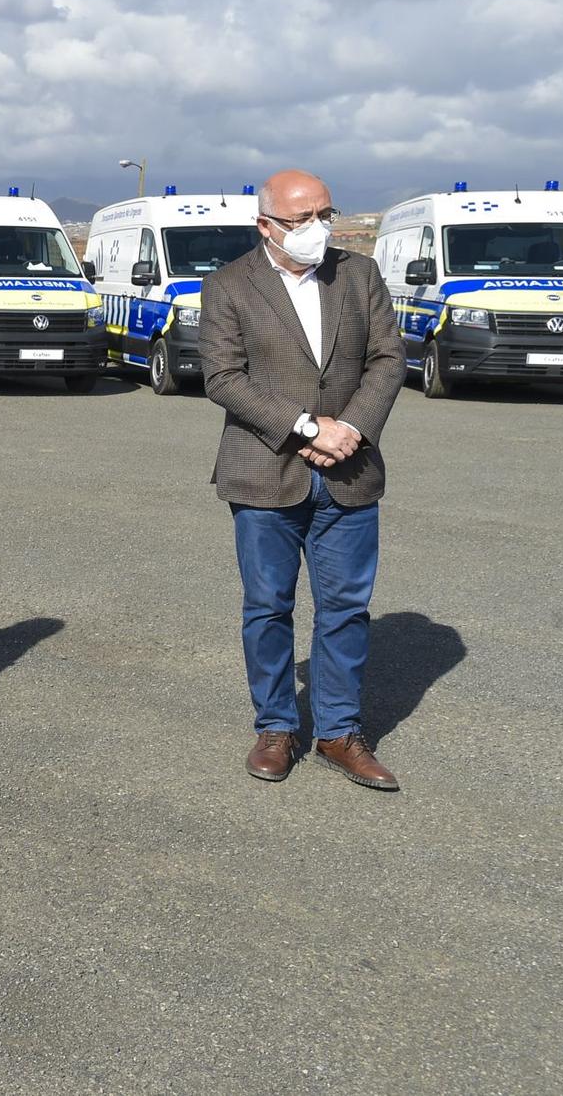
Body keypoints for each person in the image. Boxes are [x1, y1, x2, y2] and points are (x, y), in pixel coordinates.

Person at [200, 169, 407, 791]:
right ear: (265, 226)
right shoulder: (228, 285)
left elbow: (388, 359)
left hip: (350, 469)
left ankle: (339, 733)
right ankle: (276, 727)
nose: (317, 229)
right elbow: (223, 378)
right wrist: (308, 429)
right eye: (300, 220)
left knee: (345, 608)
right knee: (268, 607)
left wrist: (350, 429)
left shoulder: (359, 274)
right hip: (264, 474)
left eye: (325, 214)